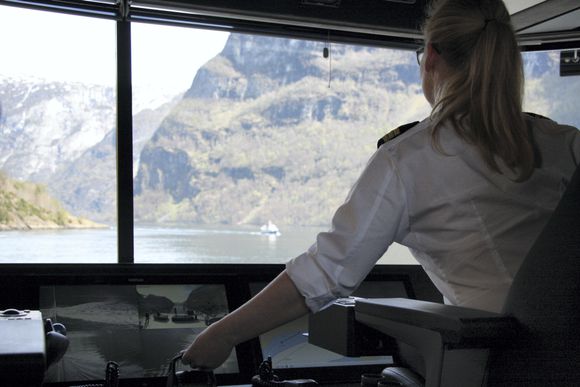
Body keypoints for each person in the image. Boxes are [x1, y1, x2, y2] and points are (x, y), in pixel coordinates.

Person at [182, 0, 580, 370]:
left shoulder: (407, 160)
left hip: (502, 363)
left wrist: (221, 334)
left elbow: (325, 273)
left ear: (432, 59)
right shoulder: (565, 143)